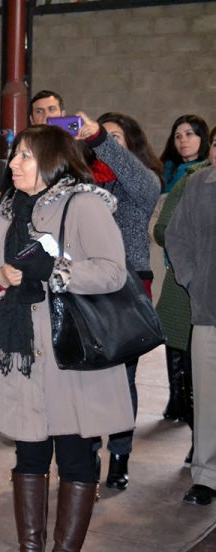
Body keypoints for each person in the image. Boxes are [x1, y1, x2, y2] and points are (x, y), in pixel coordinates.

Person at [0, 125, 133, 552]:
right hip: (23, 354)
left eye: (24, 156)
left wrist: (57, 271)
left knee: (76, 456)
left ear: (51, 159)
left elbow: (112, 271)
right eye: (13, 155)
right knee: (28, 453)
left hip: (71, 353)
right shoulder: (9, 210)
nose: (14, 164)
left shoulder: (84, 204)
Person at [74, 111, 162, 491]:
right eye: (99, 136)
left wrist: (98, 138)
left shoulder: (141, 184)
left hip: (127, 290)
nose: (104, 142)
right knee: (89, 375)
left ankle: (121, 453)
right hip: (86, 287)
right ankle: (90, 448)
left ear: (129, 145)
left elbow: (145, 185)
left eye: (114, 138)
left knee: (123, 377)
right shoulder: (80, 182)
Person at [153, 122, 213, 468]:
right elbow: (169, 231)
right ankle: (203, 460)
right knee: (191, 365)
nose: (183, 140)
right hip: (190, 285)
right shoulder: (189, 180)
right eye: (177, 134)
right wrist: (192, 275)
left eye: (190, 134)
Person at [166, 164, 216, 506]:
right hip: (209, 309)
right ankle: (206, 476)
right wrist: (192, 279)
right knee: (208, 399)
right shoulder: (199, 183)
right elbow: (175, 234)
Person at [159, 114, 210, 192]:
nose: (182, 140)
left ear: (202, 138)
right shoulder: (163, 168)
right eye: (178, 136)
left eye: (189, 134)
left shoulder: (209, 171)